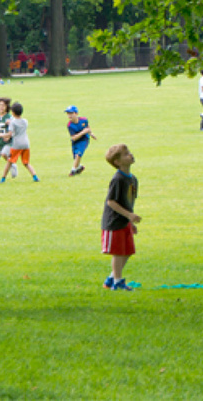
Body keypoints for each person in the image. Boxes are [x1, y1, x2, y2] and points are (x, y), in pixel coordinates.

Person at [101, 144, 140, 291]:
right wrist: (129, 215)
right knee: (118, 252)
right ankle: (117, 281)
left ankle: (111, 278)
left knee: (128, 251)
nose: (130, 155)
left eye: (129, 152)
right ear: (117, 162)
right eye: (125, 154)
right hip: (114, 222)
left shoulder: (132, 179)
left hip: (124, 221)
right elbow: (111, 202)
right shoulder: (118, 179)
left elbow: (128, 202)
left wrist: (130, 221)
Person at [0, 102, 38, 182]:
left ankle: (3, 178)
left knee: (9, 161)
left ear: (12, 112)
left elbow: (10, 134)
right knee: (26, 162)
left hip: (16, 145)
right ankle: (35, 176)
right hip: (26, 144)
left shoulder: (13, 123)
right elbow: (18, 123)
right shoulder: (25, 121)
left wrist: (1, 135)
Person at [66, 106, 94, 176]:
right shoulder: (70, 125)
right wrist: (83, 132)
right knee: (75, 157)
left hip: (84, 140)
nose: (69, 116)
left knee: (79, 154)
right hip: (75, 141)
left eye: (71, 113)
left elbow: (87, 127)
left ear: (76, 113)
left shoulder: (84, 120)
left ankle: (73, 171)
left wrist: (91, 133)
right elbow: (74, 138)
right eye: (68, 114)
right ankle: (79, 167)